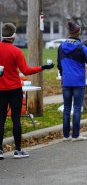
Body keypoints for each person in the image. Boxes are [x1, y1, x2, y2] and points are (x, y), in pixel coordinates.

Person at [0, 23, 54, 159]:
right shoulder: (16, 51)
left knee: (0, 120)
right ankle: (17, 150)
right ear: (13, 35)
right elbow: (26, 71)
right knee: (15, 119)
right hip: (15, 89)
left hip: (1, 90)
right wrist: (43, 67)